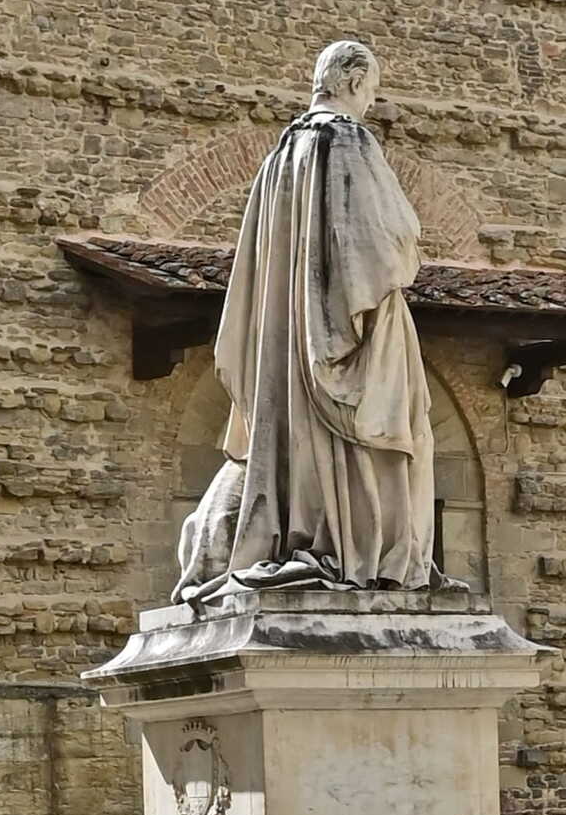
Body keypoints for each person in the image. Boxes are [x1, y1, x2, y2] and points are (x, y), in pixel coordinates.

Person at [174, 38, 437, 600]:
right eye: (371, 88)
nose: (371, 101)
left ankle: (311, 534)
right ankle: (354, 552)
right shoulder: (347, 139)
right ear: (353, 79)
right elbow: (382, 245)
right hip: (344, 332)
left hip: (287, 339)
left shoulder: (280, 157)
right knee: (392, 425)